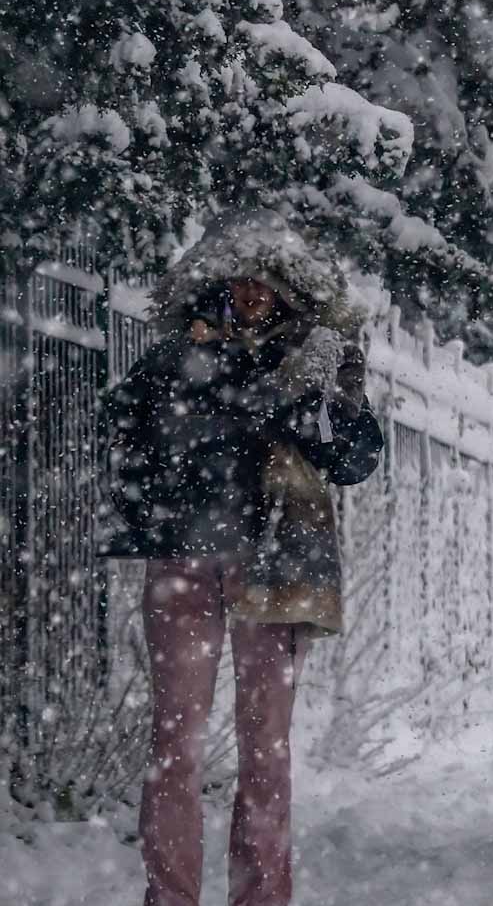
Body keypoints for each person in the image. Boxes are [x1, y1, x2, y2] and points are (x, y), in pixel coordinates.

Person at [102, 210, 385, 906]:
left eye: (267, 282)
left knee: (267, 749)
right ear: (217, 285)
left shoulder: (321, 355)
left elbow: (356, 456)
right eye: (240, 280)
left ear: (292, 291)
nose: (253, 293)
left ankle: (261, 897)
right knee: (176, 741)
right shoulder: (174, 355)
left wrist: (311, 405)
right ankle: (169, 897)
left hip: (278, 561)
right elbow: (127, 432)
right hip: (186, 558)